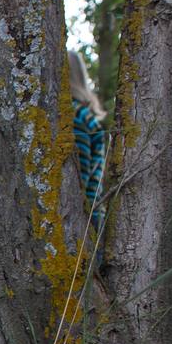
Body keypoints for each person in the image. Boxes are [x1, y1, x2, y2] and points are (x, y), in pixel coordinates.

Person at [69, 51, 106, 230]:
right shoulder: (86, 116)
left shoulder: (76, 115)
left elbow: (80, 173)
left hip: (82, 219)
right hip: (91, 214)